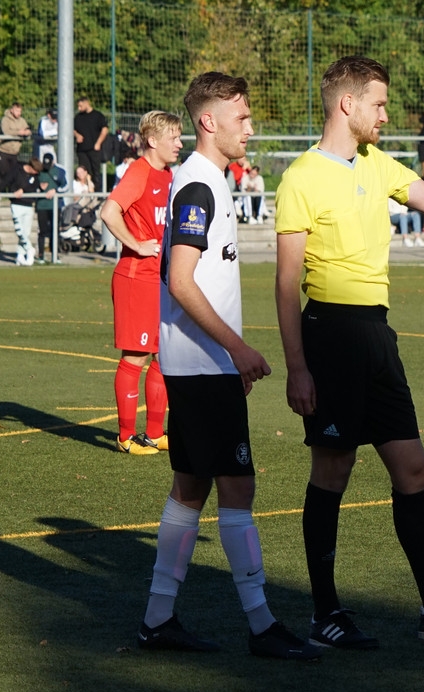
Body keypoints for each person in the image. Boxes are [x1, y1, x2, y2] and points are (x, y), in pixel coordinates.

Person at [274, 55, 424, 650]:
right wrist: (297, 368)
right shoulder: (301, 177)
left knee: (413, 468)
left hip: (377, 336)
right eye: (378, 104)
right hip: (330, 336)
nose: (385, 115)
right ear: (347, 104)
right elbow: (286, 282)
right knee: (334, 470)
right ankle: (325, 614)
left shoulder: (376, 164)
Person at [139, 71, 321, 661]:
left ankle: (158, 619)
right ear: (207, 122)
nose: (250, 127)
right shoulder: (199, 185)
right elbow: (180, 281)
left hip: (201, 366)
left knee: (191, 489)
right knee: (236, 488)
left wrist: (229, 356)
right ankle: (262, 626)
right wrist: (237, 349)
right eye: (240, 117)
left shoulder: (209, 180)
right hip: (200, 368)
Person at [98, 110, 182, 455]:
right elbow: (109, 211)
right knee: (136, 356)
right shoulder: (139, 171)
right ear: (152, 140)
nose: (179, 144)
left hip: (160, 279)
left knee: (163, 355)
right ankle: (125, 437)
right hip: (136, 278)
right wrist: (136, 244)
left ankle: (154, 433)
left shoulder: (169, 174)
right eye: (173, 138)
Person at [4, 158, 43, 265]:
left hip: (28, 205)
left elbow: (34, 187)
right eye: (36, 171)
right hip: (16, 203)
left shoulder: (35, 176)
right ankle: (29, 248)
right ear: (31, 167)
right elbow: (7, 181)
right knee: (19, 230)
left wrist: (23, 190)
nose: (36, 173)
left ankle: (20, 256)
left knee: (26, 232)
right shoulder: (17, 170)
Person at [34, 153, 66, 263]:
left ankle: (55, 255)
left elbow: (65, 186)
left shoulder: (60, 171)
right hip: (42, 205)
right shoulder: (39, 171)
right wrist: (39, 188)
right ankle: (41, 255)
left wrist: (55, 191)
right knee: (42, 231)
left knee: (55, 230)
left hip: (55, 206)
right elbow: (32, 185)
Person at [74, 96, 109, 193]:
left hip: (94, 149)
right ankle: (85, 191)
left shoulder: (97, 116)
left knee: (95, 172)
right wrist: (77, 135)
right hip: (82, 150)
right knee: (83, 171)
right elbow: (72, 129)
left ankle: (98, 192)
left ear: (87, 103)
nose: (79, 108)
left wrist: (98, 143)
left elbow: (105, 130)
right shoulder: (78, 117)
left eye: (81, 106)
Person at [0, 102, 32, 192]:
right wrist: (19, 132)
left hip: (14, 152)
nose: (18, 113)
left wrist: (27, 132)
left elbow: (27, 129)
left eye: (20, 111)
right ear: (12, 110)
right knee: (2, 171)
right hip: (3, 150)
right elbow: (6, 131)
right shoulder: (5, 120)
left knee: (13, 173)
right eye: (17, 111)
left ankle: (11, 191)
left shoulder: (22, 121)